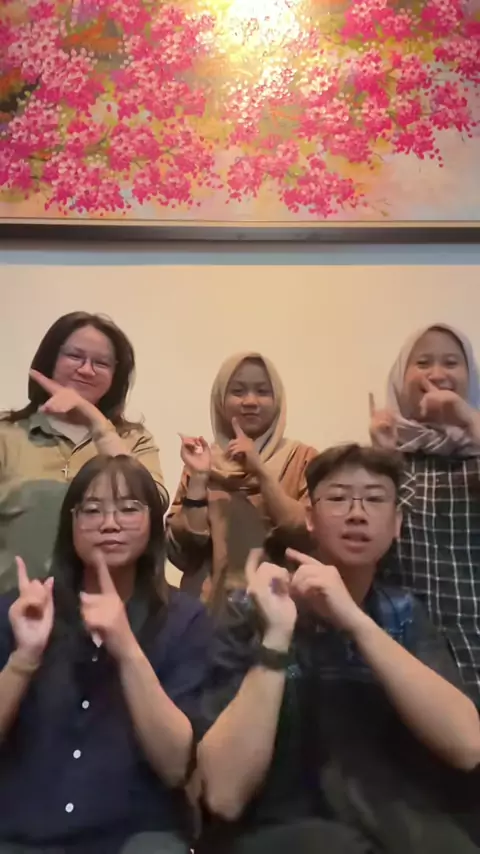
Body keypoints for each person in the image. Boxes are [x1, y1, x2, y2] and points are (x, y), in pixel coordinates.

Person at [196, 444, 480, 854]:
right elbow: (224, 795)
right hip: (280, 831)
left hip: (394, 824)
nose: (357, 513)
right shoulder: (252, 608)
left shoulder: (403, 614)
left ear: (397, 524)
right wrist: (276, 638)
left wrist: (356, 622)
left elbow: (467, 745)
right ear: (310, 518)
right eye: (339, 498)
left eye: (374, 499)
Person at [0, 454, 210, 854]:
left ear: (152, 524)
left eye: (128, 509)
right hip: (21, 831)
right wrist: (23, 659)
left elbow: (175, 766)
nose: (109, 523)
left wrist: (127, 649)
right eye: (92, 510)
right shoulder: (22, 608)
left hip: (134, 835)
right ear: (71, 523)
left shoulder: (185, 620)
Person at [0, 311, 168, 592]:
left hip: (111, 607)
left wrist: (96, 422)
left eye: (101, 363)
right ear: (51, 359)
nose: (87, 370)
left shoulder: (133, 438)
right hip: (13, 605)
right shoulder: (7, 434)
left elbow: (153, 502)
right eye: (75, 356)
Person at [369, 323, 480, 706]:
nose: (437, 374)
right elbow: (367, 553)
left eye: (451, 362)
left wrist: (468, 419)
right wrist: (383, 460)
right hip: (403, 654)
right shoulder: (385, 455)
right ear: (401, 377)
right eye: (422, 363)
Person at [166, 352, 317, 612]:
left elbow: (307, 534)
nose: (250, 401)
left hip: (285, 606)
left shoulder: (303, 458)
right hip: (207, 608)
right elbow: (181, 552)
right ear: (220, 400)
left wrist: (260, 470)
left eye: (262, 391)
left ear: (278, 399)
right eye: (237, 391)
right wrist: (199, 479)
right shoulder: (202, 460)